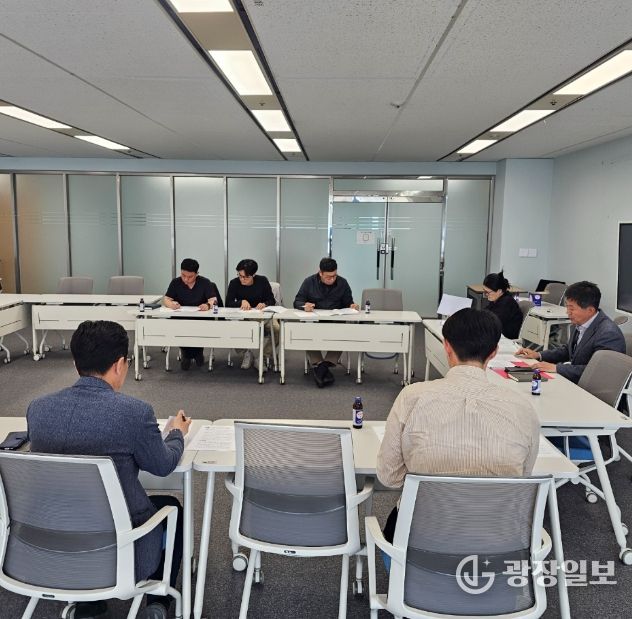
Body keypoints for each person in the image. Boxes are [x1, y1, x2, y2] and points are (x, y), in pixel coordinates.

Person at [27, 321, 192, 619]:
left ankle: (89, 602)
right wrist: (176, 434)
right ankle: (157, 601)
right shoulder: (134, 413)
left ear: (75, 363)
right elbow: (163, 465)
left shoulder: (38, 410)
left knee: (80, 506)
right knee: (171, 508)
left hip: (57, 546)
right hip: (120, 550)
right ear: (119, 365)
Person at [377, 308, 539, 563]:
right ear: (494, 352)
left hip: (419, 544)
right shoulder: (522, 407)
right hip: (497, 545)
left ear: (446, 346)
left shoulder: (412, 397)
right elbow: (522, 476)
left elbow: (389, 476)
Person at [517, 280, 625, 384]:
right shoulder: (581, 322)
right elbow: (568, 350)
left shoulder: (608, 334)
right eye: (567, 307)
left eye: (572, 309)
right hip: (575, 380)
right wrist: (538, 355)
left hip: (592, 390)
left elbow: (598, 372)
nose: (568, 312)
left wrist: (557, 368)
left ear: (590, 310)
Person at [293, 257, 359, 387]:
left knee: (344, 331)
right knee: (306, 331)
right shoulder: (309, 282)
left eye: (334, 276)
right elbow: (297, 301)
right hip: (315, 320)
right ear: (320, 273)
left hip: (336, 321)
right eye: (328, 277)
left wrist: (352, 306)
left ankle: (325, 364)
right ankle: (320, 364)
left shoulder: (342, 283)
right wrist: (304, 306)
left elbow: (348, 302)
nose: (332, 279)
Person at [164, 258, 223, 371]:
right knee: (181, 328)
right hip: (181, 318)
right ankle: (189, 354)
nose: (186, 279)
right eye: (183, 275)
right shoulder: (176, 282)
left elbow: (214, 300)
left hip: (201, 318)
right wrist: (171, 305)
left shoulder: (205, 282)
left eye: (190, 276)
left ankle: (193, 354)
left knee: (197, 328)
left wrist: (208, 305)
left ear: (197, 274)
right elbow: (166, 299)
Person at [226, 258, 276, 369]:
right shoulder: (234, 283)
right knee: (231, 328)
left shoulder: (262, 281)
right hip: (243, 317)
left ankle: (262, 356)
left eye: (246, 277)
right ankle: (246, 353)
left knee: (277, 329)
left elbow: (271, 300)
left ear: (254, 275)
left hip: (262, 316)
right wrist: (240, 302)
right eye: (240, 276)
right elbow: (228, 303)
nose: (242, 279)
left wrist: (264, 304)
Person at [482, 270, 524, 339]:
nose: (486, 294)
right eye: (484, 291)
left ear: (499, 291)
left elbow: (492, 323)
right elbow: (485, 313)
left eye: (488, 292)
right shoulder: (496, 299)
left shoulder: (507, 303)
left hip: (506, 338)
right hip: (496, 333)